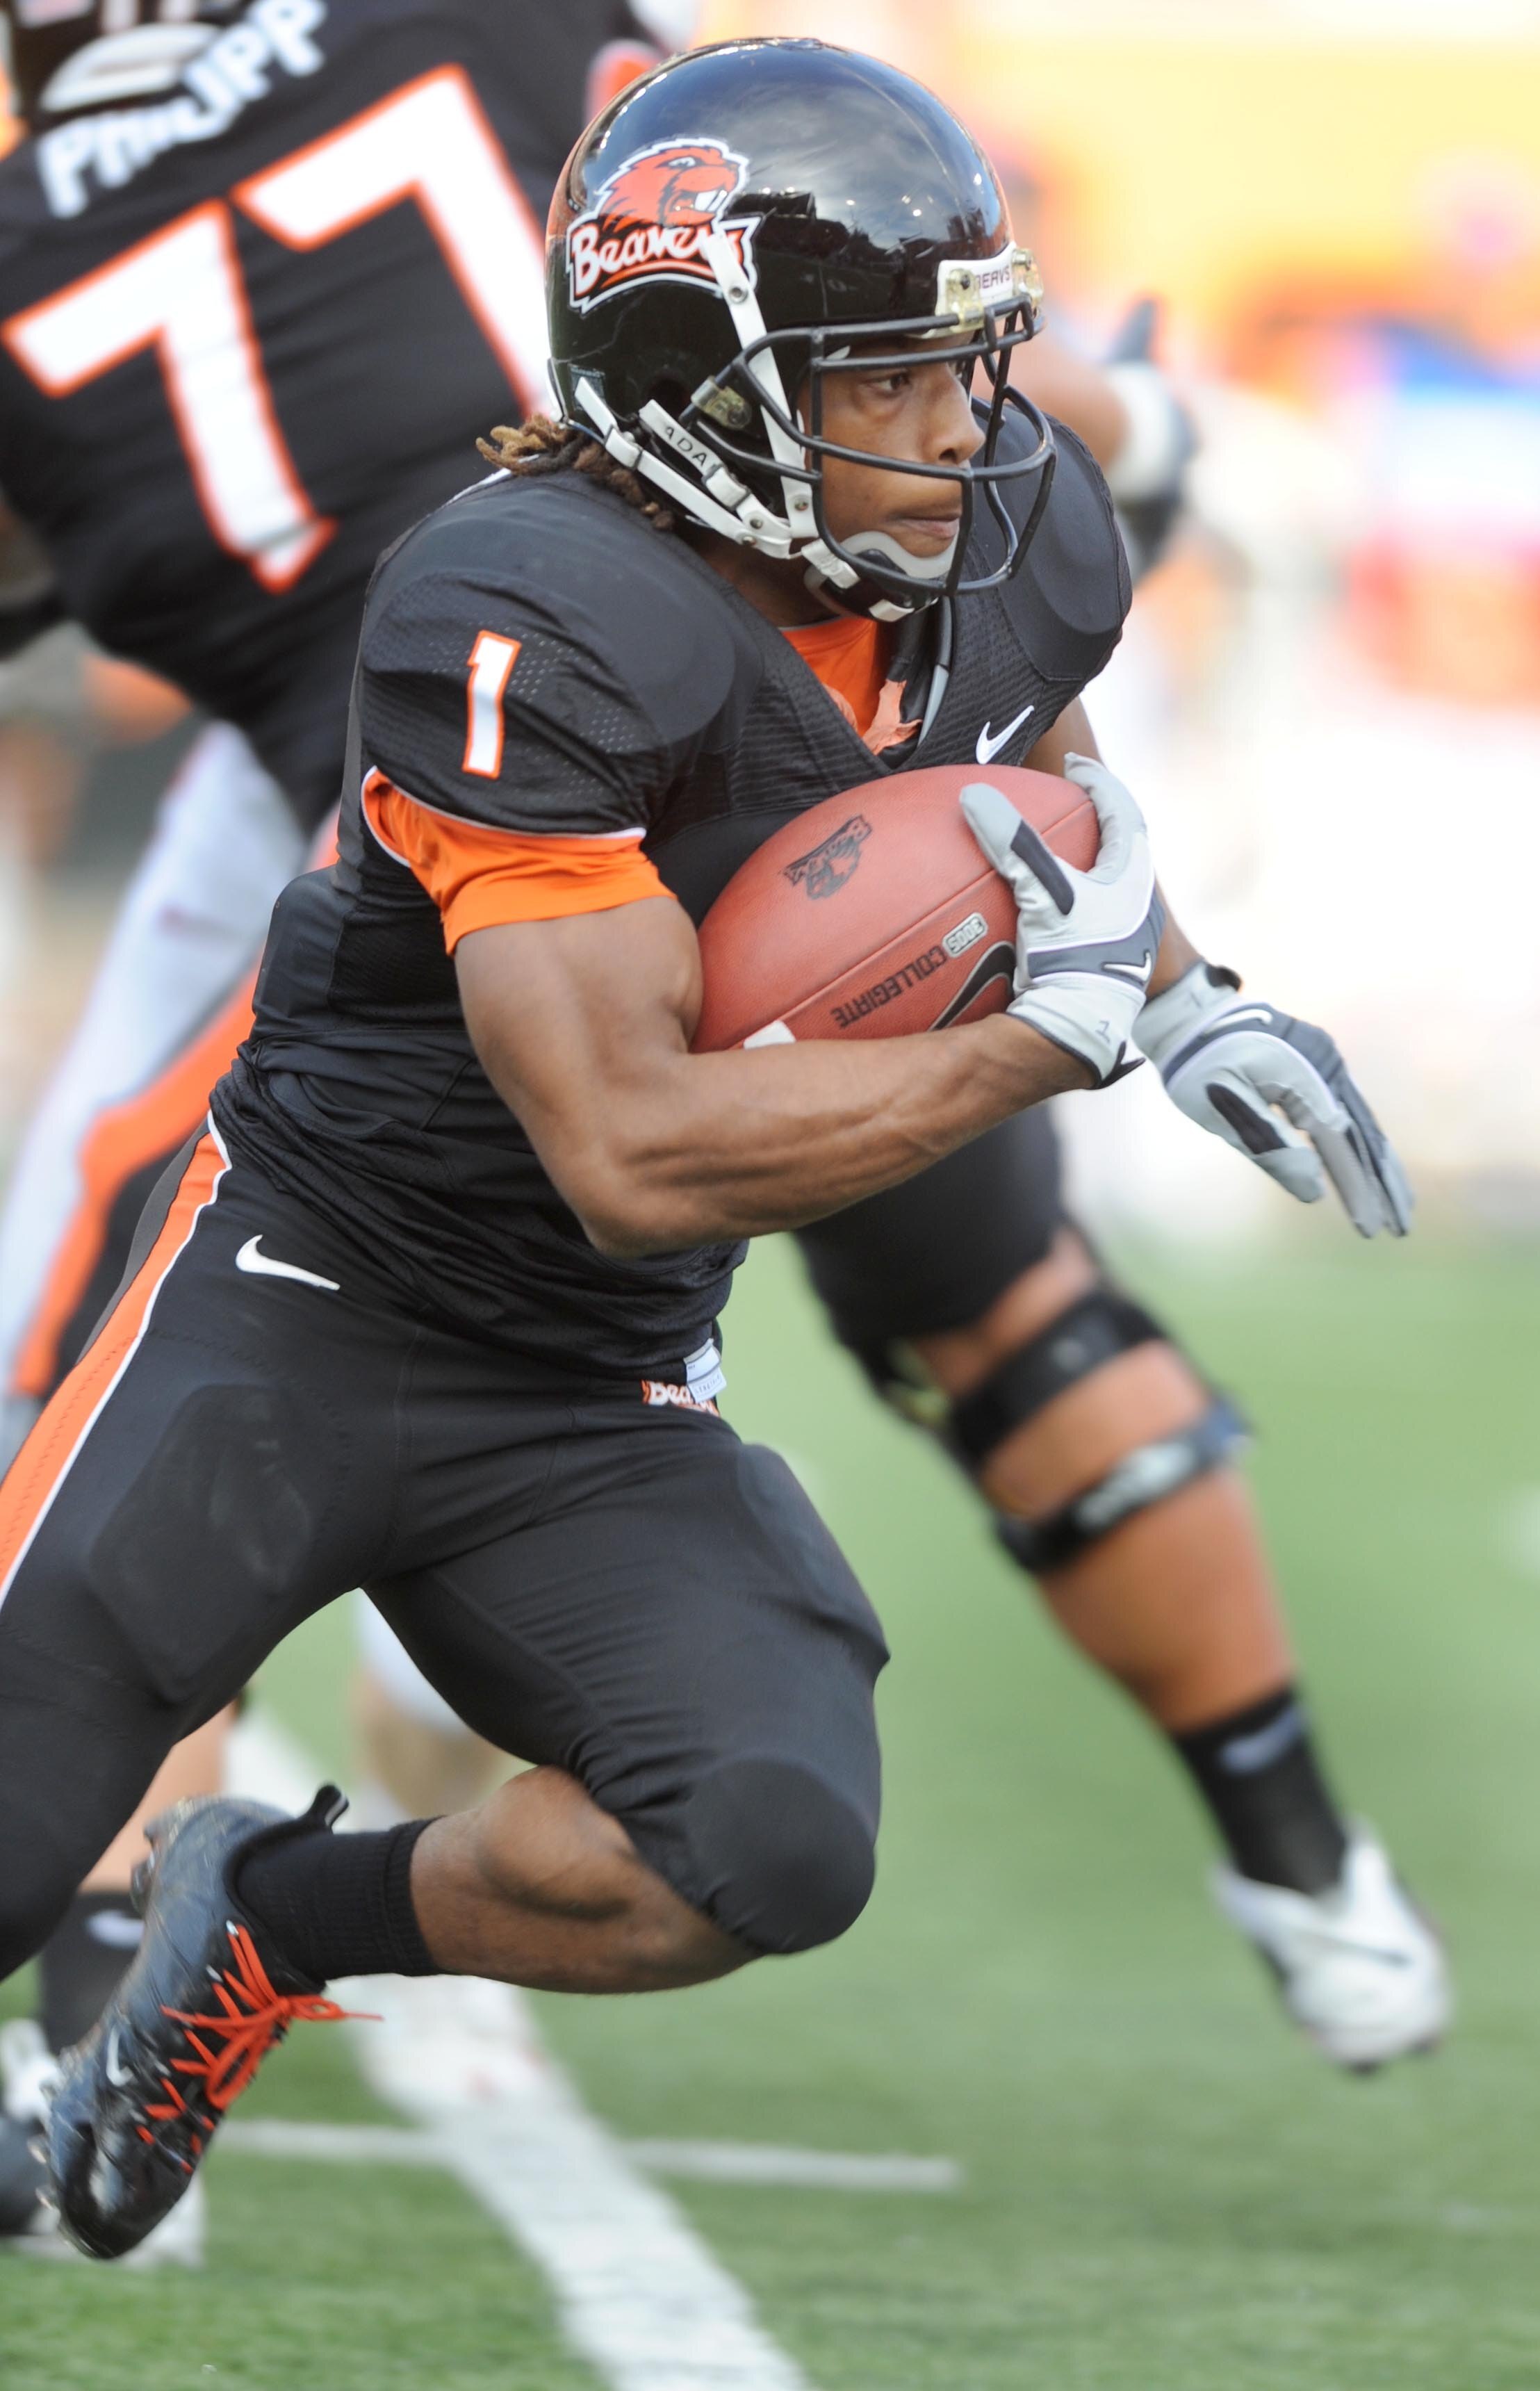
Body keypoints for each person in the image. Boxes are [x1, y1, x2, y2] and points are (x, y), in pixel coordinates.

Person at [0, 36, 1175, 2260]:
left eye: (969, 357)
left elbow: (1063, 831)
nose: (965, 424)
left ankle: (273, 1913)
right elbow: (631, 1147)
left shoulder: (1004, 532)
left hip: (587, 1385)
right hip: (302, 1315)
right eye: (891, 372)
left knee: (763, 1842)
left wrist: (1180, 992)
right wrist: (1059, 1040)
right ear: (704, 385)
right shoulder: (522, 599)